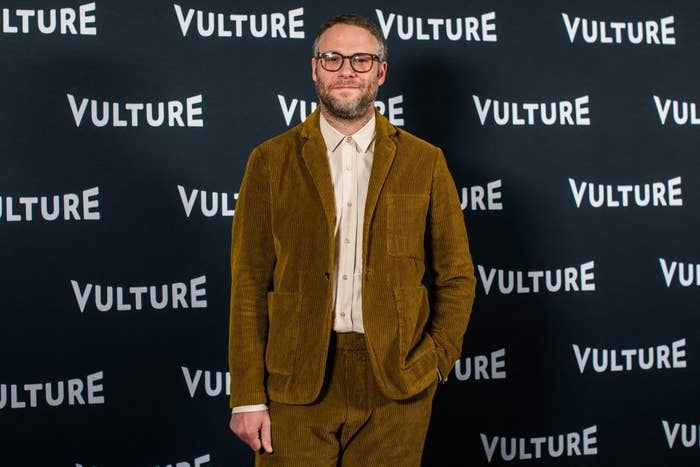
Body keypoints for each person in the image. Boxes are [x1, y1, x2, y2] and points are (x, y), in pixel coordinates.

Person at [228, 13, 476, 466]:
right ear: (314, 68)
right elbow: (248, 284)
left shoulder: (425, 161)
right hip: (295, 381)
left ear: (381, 72)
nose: (347, 70)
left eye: (361, 59)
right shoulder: (269, 161)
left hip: (396, 382)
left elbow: (457, 275)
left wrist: (437, 359)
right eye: (333, 58)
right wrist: (246, 397)